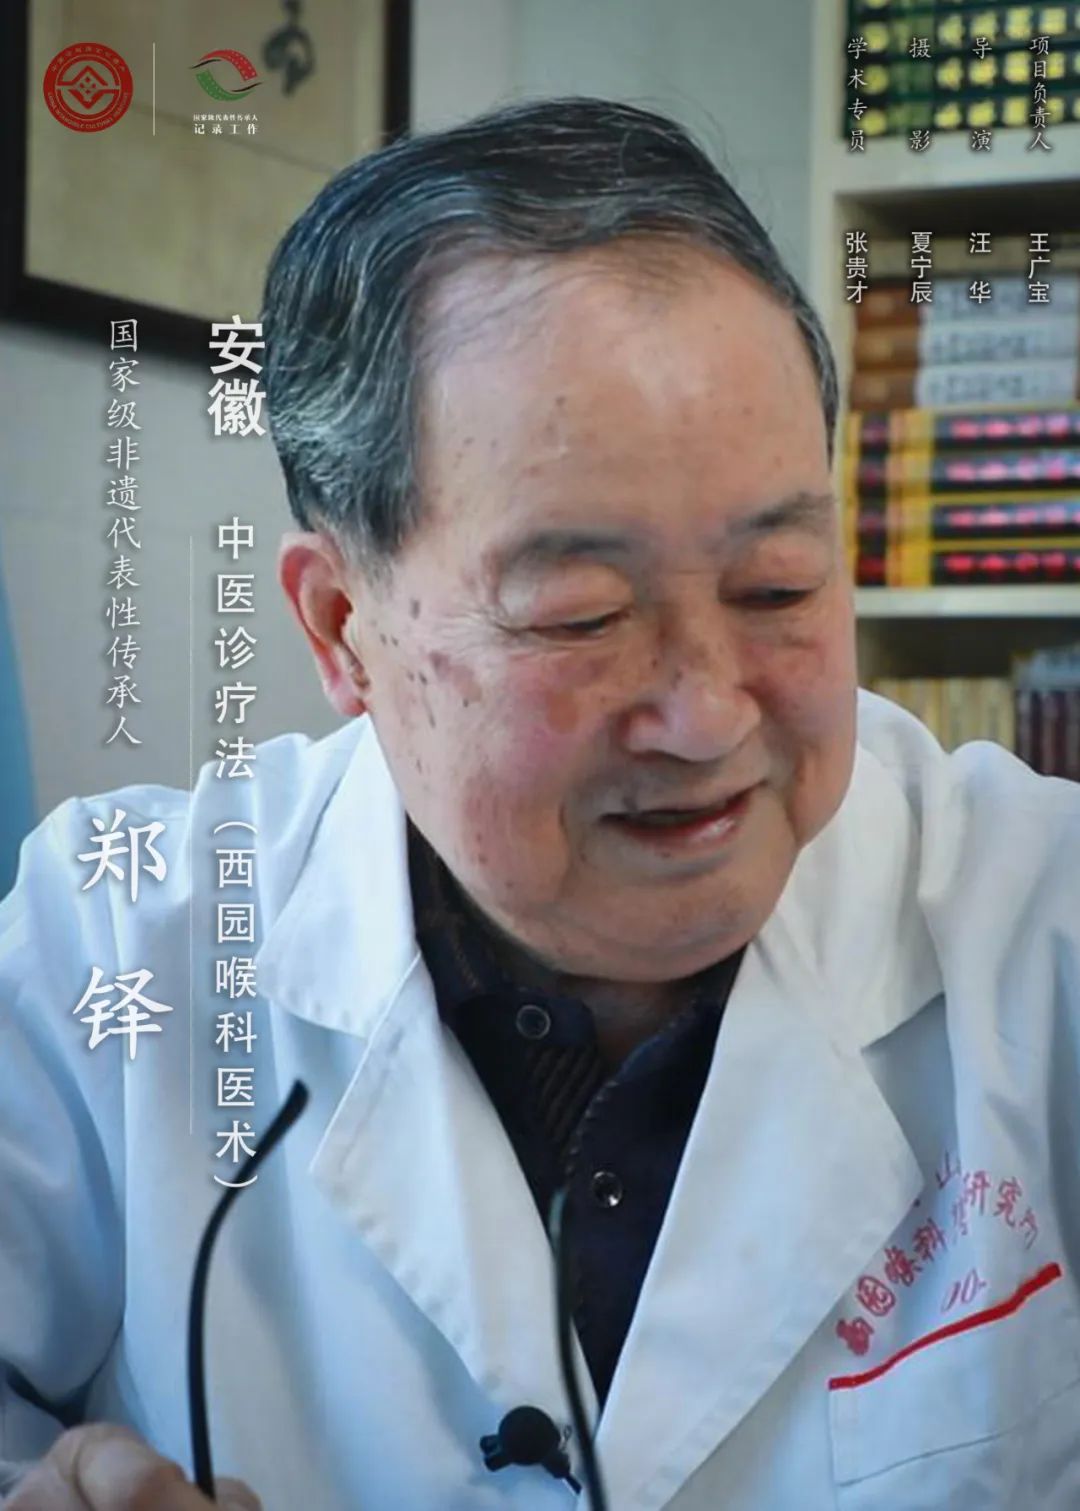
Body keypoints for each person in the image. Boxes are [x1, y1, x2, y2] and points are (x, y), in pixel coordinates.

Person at [2, 96, 1079, 1511]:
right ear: (341, 629)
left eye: (778, 589)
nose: (708, 716)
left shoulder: (1041, 924)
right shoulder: (110, 945)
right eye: (581, 616)